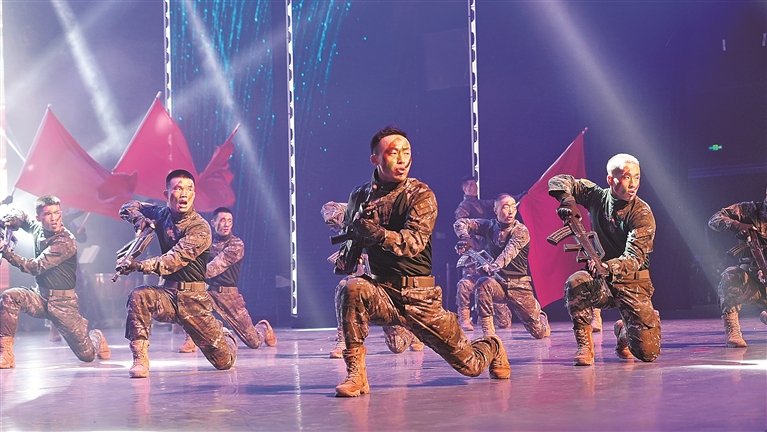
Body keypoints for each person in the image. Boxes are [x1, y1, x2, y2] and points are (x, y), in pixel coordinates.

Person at [333, 126, 510, 397]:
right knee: (351, 287)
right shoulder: (359, 197)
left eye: (407, 153)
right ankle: (356, 375)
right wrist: (349, 252)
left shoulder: (420, 195)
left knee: (471, 365)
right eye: (393, 153)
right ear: (375, 159)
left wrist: (377, 233)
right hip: (382, 293)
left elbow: (413, 243)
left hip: (419, 297)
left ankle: (493, 346)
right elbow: (350, 248)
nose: (402, 159)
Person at [118, 169, 237, 378]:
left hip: (194, 300)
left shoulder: (200, 227)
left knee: (224, 362)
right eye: (178, 189)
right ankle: (140, 359)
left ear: (194, 194)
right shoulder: (161, 214)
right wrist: (139, 219)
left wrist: (137, 266)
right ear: (167, 194)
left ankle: (224, 334)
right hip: (168, 296)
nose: (184, 194)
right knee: (139, 295)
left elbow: (172, 261)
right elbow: (128, 206)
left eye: (189, 189)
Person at [549, 153, 661, 366]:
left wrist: (607, 266)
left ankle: (624, 330)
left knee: (648, 353)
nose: (633, 184)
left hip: (633, 282)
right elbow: (559, 180)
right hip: (600, 280)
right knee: (575, 283)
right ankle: (585, 346)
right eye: (626, 177)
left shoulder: (642, 213)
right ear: (610, 179)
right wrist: (567, 200)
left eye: (637, 177)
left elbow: (635, 258)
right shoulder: (596, 197)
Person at [0, 195, 110, 368]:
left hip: (63, 304)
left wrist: (7, 253)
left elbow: (36, 267)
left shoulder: (65, 241)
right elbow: (23, 217)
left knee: (87, 355)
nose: (54, 218)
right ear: (39, 217)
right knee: (9, 297)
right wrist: (13, 218)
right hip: (40, 297)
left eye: (57, 212)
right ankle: (5, 354)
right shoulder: (37, 228)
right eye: (47, 214)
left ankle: (97, 337)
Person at [321, 201, 423, 359]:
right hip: (365, 287)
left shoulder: (381, 229)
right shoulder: (351, 235)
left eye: (340, 220)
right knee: (344, 286)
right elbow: (351, 269)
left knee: (397, 346)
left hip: (386, 290)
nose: (338, 225)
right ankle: (345, 340)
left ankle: (411, 331)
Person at [176, 207, 276, 353]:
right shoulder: (205, 243)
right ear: (213, 223)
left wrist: (189, 273)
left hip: (229, 297)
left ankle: (263, 327)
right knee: (188, 300)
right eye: (222, 220)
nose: (227, 224)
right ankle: (191, 339)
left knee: (254, 341)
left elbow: (214, 267)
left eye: (229, 221)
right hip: (208, 293)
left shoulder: (236, 244)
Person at [454, 193, 550, 339]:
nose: (510, 211)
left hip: (518, 286)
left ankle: (540, 317)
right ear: (496, 210)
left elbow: (508, 253)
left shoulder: (520, 230)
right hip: (498, 284)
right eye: (505, 207)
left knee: (539, 332)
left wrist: (494, 266)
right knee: (483, 284)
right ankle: (489, 335)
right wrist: (465, 237)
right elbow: (460, 223)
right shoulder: (489, 226)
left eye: (513, 207)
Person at [707, 184, 767, 347]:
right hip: (754, 282)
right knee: (731, 276)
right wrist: (737, 225)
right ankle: (733, 330)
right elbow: (714, 219)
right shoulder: (749, 210)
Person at [454, 176, 513, 331]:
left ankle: (493, 314)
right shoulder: (464, 207)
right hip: (473, 255)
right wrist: (467, 240)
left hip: (487, 256)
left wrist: (520, 197)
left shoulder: (480, 204)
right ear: (464, 188)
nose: (474, 187)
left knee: (504, 322)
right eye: (470, 185)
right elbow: (460, 224)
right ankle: (464, 318)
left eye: (475, 184)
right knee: (465, 285)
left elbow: (496, 202)